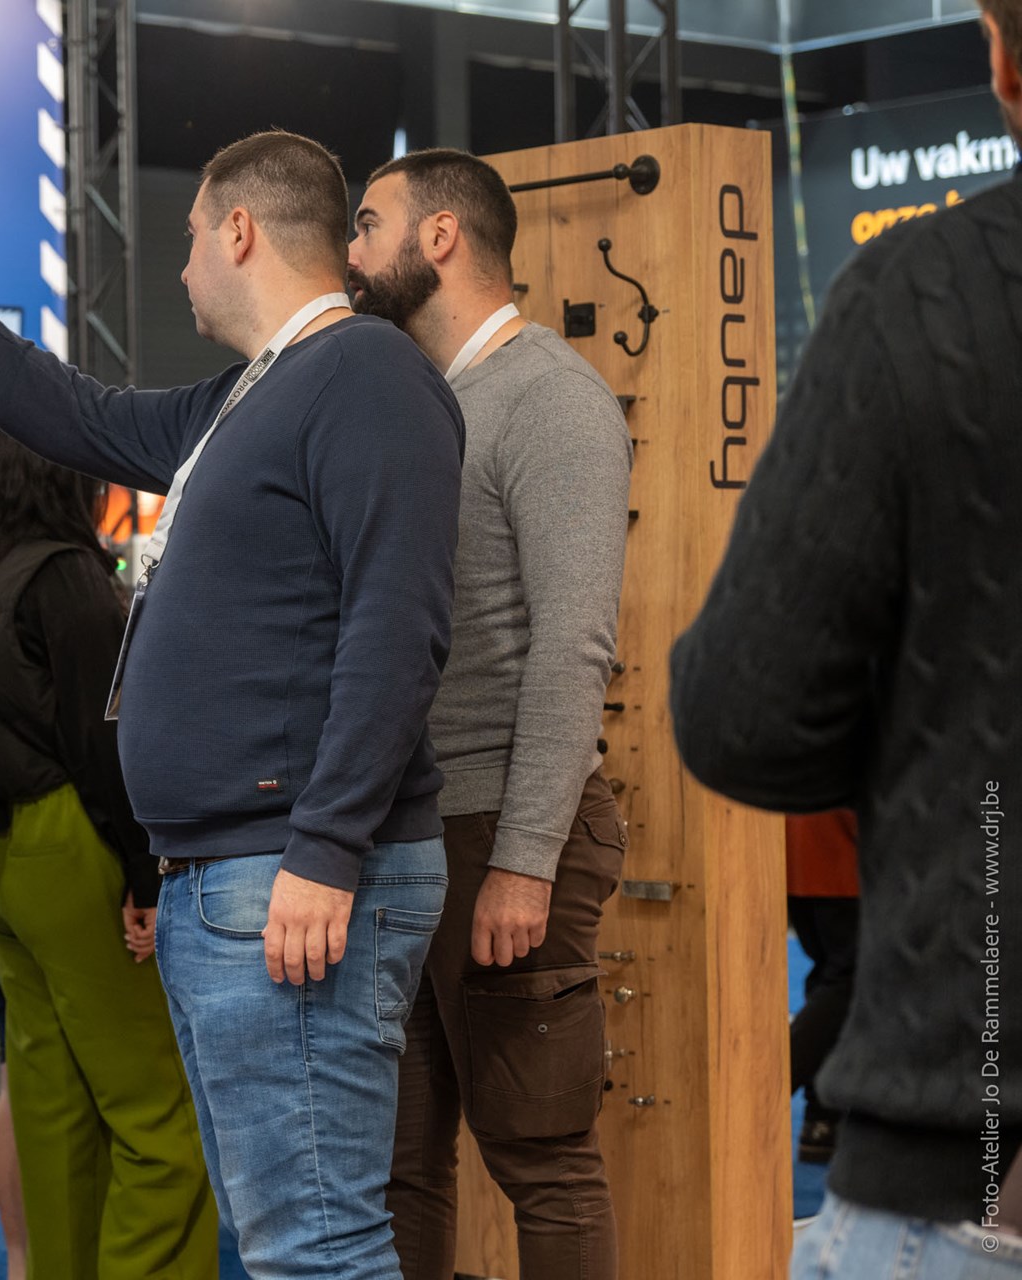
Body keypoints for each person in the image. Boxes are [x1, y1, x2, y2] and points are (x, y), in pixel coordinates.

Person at [0, 130, 464, 1276]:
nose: (183, 263)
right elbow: (66, 409)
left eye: (192, 235)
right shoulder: (255, 392)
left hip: (289, 873)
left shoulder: (365, 373)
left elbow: (398, 626)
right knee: (280, 1233)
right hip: (235, 877)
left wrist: (326, 845)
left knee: (316, 1240)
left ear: (240, 231)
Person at [669, 1, 1022, 1273]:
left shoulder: (925, 298)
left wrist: (938, 756)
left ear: (1001, 60)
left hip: (967, 1140)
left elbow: (742, 711)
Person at [345, 149, 632, 1280]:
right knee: (400, 1164)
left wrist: (523, 860)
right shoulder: (426, 402)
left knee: (541, 1161)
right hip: (409, 833)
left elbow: (573, 646)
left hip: (499, 833)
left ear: (441, 236)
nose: (351, 252)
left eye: (368, 224)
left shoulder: (551, 397)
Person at [0, 427, 216, 1280]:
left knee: (53, 1109)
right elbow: (107, 743)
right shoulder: (67, 576)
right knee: (157, 1114)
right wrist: (145, 878)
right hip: (67, 852)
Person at [786, 810, 860, 1165]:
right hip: (843, 858)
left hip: (801, 852)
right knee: (848, 980)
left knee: (831, 982)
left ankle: (821, 1121)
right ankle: (765, 1087)